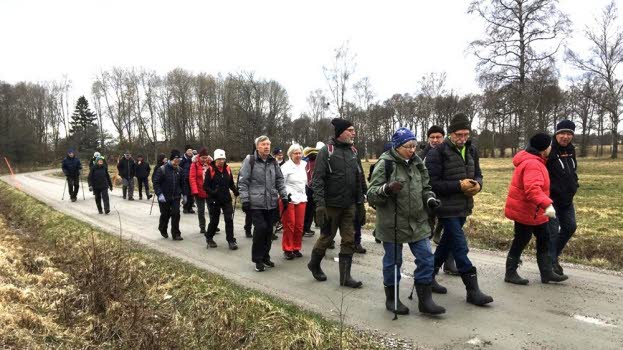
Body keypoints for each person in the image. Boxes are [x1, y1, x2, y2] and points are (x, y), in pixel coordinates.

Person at [368, 127, 445, 315]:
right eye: (407, 146)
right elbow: (371, 194)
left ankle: (425, 301)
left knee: (427, 258)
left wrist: (430, 199)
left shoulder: (418, 163)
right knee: (394, 262)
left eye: (414, 146)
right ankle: (392, 299)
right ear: (397, 147)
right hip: (392, 222)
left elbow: (426, 187)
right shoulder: (385, 164)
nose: (412, 150)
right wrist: (386, 189)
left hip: (418, 221)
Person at [425, 113, 493, 306]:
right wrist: (458, 185)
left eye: (466, 134)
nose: (463, 139)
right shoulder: (436, 154)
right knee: (459, 246)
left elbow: (478, 174)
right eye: (459, 135)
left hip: (464, 206)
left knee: (446, 242)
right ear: (451, 134)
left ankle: (429, 275)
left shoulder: (472, 150)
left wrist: (478, 185)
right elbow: (432, 184)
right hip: (445, 208)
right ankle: (472, 290)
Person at [307, 118, 366, 288]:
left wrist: (361, 203)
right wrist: (319, 205)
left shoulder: (354, 152)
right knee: (326, 238)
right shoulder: (327, 151)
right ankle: (314, 264)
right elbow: (317, 180)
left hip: (349, 205)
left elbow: (359, 177)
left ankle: (345, 277)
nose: (353, 133)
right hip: (331, 205)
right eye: (350, 130)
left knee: (349, 240)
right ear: (340, 132)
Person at [504, 133, 568, 285]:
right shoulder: (533, 164)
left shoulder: (536, 160)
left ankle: (547, 273)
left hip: (536, 212)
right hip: (526, 211)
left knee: (544, 239)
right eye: (550, 145)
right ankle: (510, 273)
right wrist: (547, 204)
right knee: (521, 240)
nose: (551, 147)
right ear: (544, 148)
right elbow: (532, 190)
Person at [238, 136, 289, 272]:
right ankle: (257, 259)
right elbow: (243, 182)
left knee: (269, 231)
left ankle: (266, 256)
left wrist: (284, 196)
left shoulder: (273, 162)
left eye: (268, 144)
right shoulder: (250, 160)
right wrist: (245, 200)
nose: (267, 146)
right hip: (256, 203)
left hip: (271, 203)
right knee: (260, 229)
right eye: (263, 144)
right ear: (257, 146)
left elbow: (279, 180)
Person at [418, 125, 458, 276]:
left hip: (447, 198)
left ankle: (448, 263)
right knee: (425, 232)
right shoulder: (421, 156)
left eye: (438, 137)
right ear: (428, 139)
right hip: (427, 200)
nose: (435, 140)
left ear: (443, 137)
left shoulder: (450, 153)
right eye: (432, 137)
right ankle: (427, 266)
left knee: (451, 232)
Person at [547, 120, 579, 277]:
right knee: (552, 232)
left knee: (570, 227)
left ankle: (552, 256)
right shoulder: (548, 150)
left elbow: (572, 170)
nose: (565, 137)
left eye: (569, 134)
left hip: (567, 199)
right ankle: (551, 264)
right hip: (550, 201)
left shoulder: (571, 150)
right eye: (562, 133)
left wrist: (575, 184)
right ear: (556, 134)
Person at [203, 149, 239, 250]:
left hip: (226, 198)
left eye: (223, 159)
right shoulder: (210, 170)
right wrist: (213, 192)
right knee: (215, 221)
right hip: (214, 200)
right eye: (219, 159)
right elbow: (205, 186)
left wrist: (235, 190)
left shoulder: (227, 169)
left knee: (229, 219)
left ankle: (231, 240)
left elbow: (231, 183)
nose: (222, 161)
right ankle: (209, 237)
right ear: (215, 159)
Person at [280, 144, 307, 260]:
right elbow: (280, 183)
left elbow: (306, 181)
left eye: (299, 153)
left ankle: (296, 247)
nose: (298, 155)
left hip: (301, 197)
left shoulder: (304, 165)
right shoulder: (285, 167)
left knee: (299, 225)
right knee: (290, 224)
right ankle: (288, 248)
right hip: (289, 199)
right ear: (290, 154)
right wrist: (284, 197)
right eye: (295, 153)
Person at [152, 149, 184, 241]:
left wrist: (185, 195)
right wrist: (159, 194)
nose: (176, 164)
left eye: (178, 162)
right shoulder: (162, 169)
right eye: (174, 161)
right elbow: (156, 183)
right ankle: (162, 228)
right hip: (164, 197)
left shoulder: (180, 170)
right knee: (165, 214)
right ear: (170, 160)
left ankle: (176, 233)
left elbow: (183, 184)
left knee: (176, 214)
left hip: (176, 197)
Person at [302, 142, 324, 237]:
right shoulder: (314, 160)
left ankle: (306, 228)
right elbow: (311, 176)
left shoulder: (310, 160)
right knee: (310, 210)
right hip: (312, 188)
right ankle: (305, 228)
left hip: (311, 187)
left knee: (310, 209)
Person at [189, 147, 211, 234]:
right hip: (199, 190)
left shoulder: (210, 163)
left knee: (212, 210)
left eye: (206, 158)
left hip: (209, 191)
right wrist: (195, 191)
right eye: (203, 158)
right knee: (201, 210)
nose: (204, 160)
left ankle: (213, 225)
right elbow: (192, 178)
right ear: (199, 157)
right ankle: (202, 226)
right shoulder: (194, 164)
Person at [179, 145, 196, 214]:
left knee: (192, 193)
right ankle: (185, 207)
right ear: (186, 151)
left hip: (192, 178)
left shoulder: (194, 158)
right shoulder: (182, 158)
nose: (190, 152)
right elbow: (179, 167)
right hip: (185, 178)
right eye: (188, 150)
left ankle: (190, 207)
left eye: (191, 150)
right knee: (186, 193)